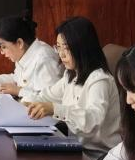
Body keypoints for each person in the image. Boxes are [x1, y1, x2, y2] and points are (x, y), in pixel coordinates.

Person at [24, 16, 121, 150]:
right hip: (74, 145)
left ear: (83, 48)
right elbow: (46, 95)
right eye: (58, 47)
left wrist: (55, 109)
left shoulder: (99, 79)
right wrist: (25, 103)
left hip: (97, 154)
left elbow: (94, 119)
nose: (61, 54)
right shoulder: (71, 74)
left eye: (67, 48)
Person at [0, 13, 62, 100]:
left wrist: (19, 91)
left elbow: (51, 99)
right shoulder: (25, 53)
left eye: (4, 47)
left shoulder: (44, 59)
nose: (2, 52)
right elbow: (16, 79)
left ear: (19, 43)